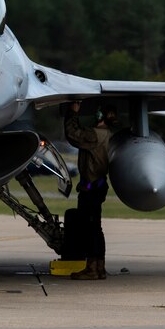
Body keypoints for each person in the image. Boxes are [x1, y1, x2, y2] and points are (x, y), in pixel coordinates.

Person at [64, 102, 118, 280]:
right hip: (98, 186)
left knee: (89, 229)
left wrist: (72, 112)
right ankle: (99, 267)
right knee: (96, 228)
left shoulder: (95, 134)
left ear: (101, 118)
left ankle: (92, 269)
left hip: (91, 188)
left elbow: (73, 135)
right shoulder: (106, 134)